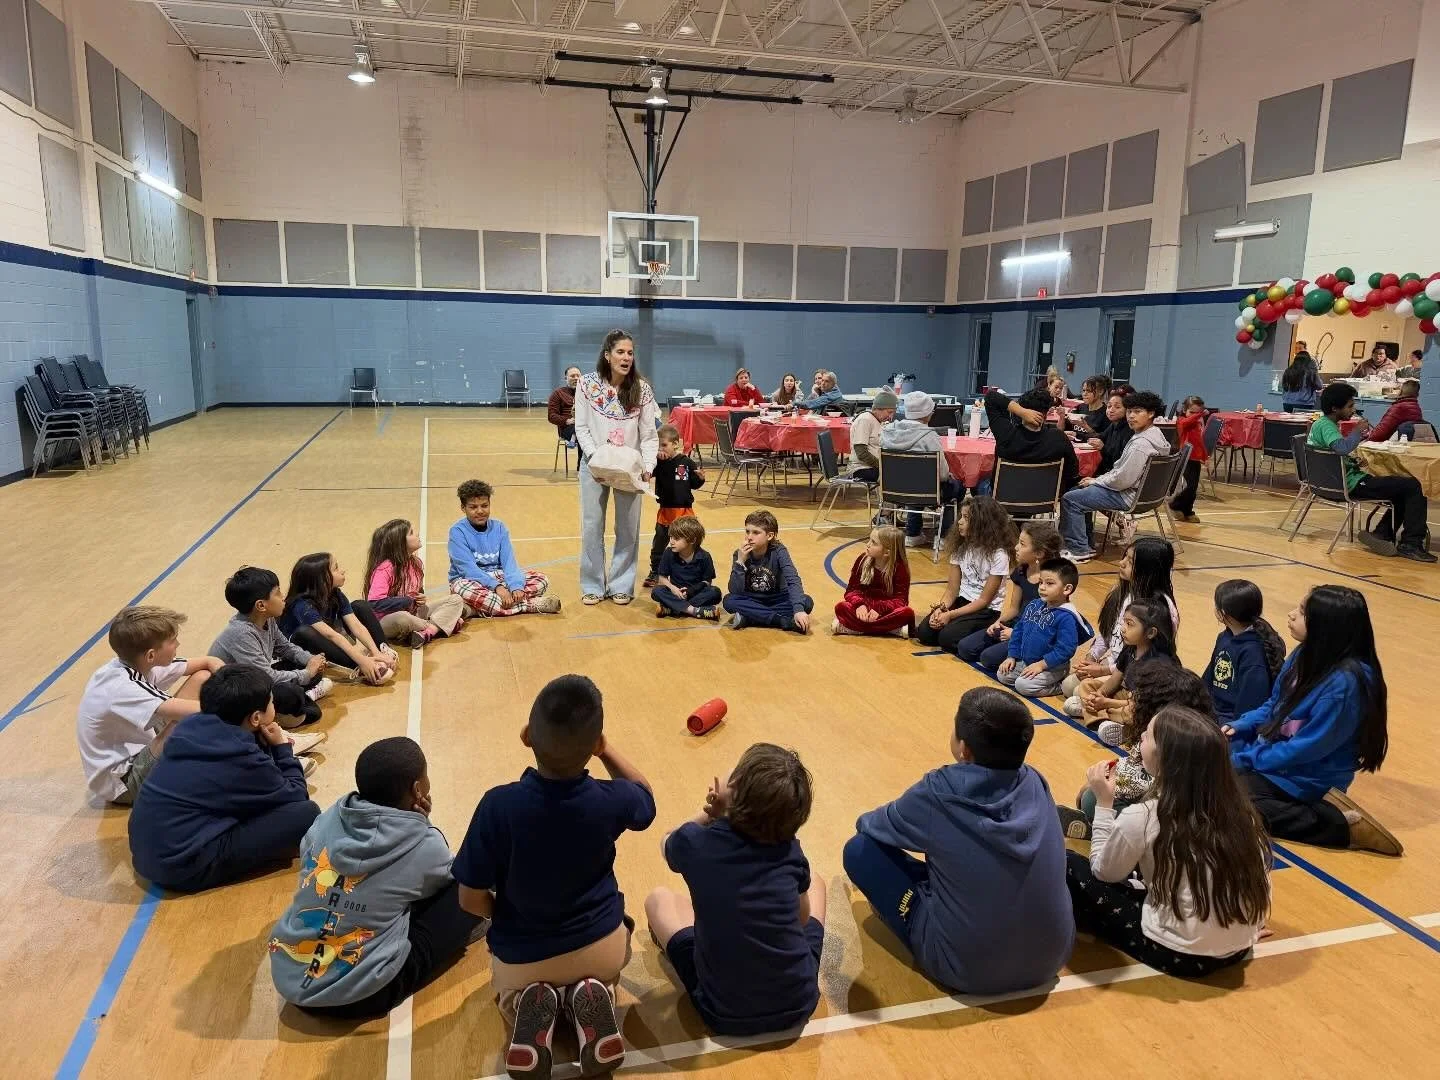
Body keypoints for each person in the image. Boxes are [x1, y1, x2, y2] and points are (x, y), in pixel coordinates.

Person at [454, 675, 655, 1080]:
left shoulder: (498, 806)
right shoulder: (608, 799)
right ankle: (593, 993)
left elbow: (469, 899)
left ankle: (532, 1004)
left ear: (527, 736)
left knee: (509, 991)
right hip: (601, 946)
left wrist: (506, 916)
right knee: (612, 945)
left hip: (523, 958)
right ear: (595, 745)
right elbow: (645, 797)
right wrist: (604, 748)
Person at [842, 687, 1073, 995]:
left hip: (967, 969)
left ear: (964, 749)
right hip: (1050, 959)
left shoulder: (939, 791)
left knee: (859, 851)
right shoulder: (1035, 781)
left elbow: (871, 826)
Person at [269, 737, 486, 1019]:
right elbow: (446, 876)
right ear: (418, 789)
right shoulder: (423, 844)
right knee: (466, 887)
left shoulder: (326, 820)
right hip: (361, 995)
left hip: (291, 977)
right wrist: (421, 824)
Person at [1066, 706, 1270, 977]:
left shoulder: (1144, 814)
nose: (1140, 736)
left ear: (1165, 758)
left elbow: (1104, 872)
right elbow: (1261, 879)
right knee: (1156, 863)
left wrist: (1104, 803)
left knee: (1068, 864)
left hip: (1178, 954)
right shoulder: (1241, 812)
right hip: (1238, 947)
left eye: (1148, 736)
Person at [645, 744, 826, 1036]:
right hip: (798, 1001)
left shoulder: (696, 843)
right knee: (815, 881)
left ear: (735, 788)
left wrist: (709, 816)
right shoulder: (790, 850)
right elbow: (802, 919)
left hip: (724, 1011)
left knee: (658, 899)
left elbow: (668, 842)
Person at [1226, 585, 1402, 855]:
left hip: (1306, 777)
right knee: (1206, 756)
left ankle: (1340, 826)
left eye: (1302, 613)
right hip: (1275, 757)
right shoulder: (1304, 654)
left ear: (1326, 626)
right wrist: (1242, 725)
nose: (1291, 615)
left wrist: (1250, 758)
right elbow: (1274, 704)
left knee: (1227, 798)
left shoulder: (1345, 686)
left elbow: (1306, 749)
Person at [128, 665, 321, 893]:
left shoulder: (190, 724)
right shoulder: (240, 753)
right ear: (256, 717)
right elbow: (296, 795)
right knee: (306, 815)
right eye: (270, 702)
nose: (274, 705)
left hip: (149, 852)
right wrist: (282, 749)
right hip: (182, 867)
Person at [77, 607, 223, 807]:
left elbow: (207, 661)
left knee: (202, 677)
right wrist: (243, 698)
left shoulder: (137, 664)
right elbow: (199, 711)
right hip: (124, 784)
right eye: (172, 641)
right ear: (151, 655)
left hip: (141, 749)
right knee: (188, 721)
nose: (178, 644)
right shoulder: (122, 686)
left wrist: (225, 677)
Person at [1059, 665, 1216, 840]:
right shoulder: (1160, 734)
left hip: (1169, 830)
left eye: (1134, 701)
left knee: (1091, 799)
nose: (1128, 702)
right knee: (1093, 792)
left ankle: (1107, 834)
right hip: (1158, 812)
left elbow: (1141, 784)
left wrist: (1104, 788)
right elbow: (1134, 762)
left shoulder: (1172, 751)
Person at [576, 330, 661, 605]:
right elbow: (582, 427)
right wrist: (595, 458)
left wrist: (648, 467)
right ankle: (593, 585)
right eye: (620, 352)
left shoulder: (642, 389)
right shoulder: (587, 385)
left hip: (630, 471)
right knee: (592, 527)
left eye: (630, 353)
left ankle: (621, 584)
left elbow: (649, 435)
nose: (626, 357)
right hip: (594, 467)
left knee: (627, 528)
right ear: (607, 355)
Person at [1308, 382, 1435, 562]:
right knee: (1413, 486)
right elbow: (1341, 448)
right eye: (1350, 405)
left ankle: (1383, 532)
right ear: (1335, 408)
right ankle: (1411, 543)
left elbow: (1334, 454)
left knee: (1402, 488)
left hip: (1333, 481)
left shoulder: (1320, 424)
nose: (1354, 409)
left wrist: (1353, 460)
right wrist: (1357, 432)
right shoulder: (1326, 425)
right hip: (1349, 484)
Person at [211, 567, 332, 738]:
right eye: (277, 593)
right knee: (298, 698)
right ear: (261, 605)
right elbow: (266, 677)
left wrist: (311, 660)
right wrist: (307, 673)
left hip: (256, 680)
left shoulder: (267, 619)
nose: (283, 597)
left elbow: (285, 647)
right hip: (236, 695)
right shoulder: (241, 633)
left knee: (312, 673)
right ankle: (278, 716)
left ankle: (296, 702)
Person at [1063, 537, 1178, 716]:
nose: (1121, 563)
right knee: (1069, 686)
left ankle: (1106, 713)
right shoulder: (1121, 592)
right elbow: (1106, 631)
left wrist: (1103, 670)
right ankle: (1102, 707)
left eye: (1130, 561)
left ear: (1148, 569)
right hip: (1115, 668)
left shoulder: (1160, 608)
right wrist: (1092, 657)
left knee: (1077, 692)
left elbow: (1142, 658)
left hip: (1136, 677)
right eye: (1124, 557)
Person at [1058, 390, 1168, 562]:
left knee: (1071, 498)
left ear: (1151, 413)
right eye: (1130, 411)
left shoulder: (1141, 444)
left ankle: (1079, 550)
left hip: (1127, 495)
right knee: (1078, 490)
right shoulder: (1157, 435)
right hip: (1147, 495)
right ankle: (1086, 543)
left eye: (1137, 411)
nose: (1131, 416)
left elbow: (1122, 480)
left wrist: (1096, 480)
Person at [914, 497, 1015, 655]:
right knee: (925, 632)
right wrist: (941, 610)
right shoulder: (961, 547)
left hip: (984, 610)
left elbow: (983, 600)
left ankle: (987, 636)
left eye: (966, 518)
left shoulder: (999, 554)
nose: (959, 522)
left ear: (982, 523)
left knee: (947, 638)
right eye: (961, 516)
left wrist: (950, 615)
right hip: (961, 602)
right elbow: (951, 590)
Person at [957, 521, 1062, 670]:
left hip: (1035, 633)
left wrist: (1015, 634)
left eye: (1022, 544)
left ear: (1039, 553)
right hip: (1017, 625)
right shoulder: (1021, 571)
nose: (1016, 547)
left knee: (988, 658)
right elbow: (1014, 608)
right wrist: (998, 622)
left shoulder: (1052, 581)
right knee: (965, 648)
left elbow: (1048, 621)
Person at [448, 479, 562, 615]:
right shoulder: (457, 532)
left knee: (541, 579)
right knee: (460, 588)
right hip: (471, 581)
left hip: (499, 577)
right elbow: (469, 570)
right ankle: (529, 605)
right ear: (463, 508)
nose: (480, 511)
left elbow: (509, 563)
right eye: (473, 507)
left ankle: (476, 609)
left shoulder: (499, 527)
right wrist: (497, 588)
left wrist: (516, 586)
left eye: (484, 506)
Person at [281, 554, 398, 684]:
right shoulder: (302, 605)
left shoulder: (335, 593)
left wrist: (375, 652)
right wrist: (362, 660)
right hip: (301, 649)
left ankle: (382, 651)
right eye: (336, 568)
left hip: (328, 637)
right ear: (322, 579)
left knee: (360, 605)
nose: (342, 571)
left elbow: (355, 624)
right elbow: (331, 636)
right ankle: (360, 667)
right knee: (305, 632)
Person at [1077, 597, 1179, 729]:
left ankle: (1094, 713)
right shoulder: (1130, 649)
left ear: (1151, 632)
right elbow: (1115, 679)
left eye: (1130, 624)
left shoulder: (1159, 663)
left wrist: (1106, 703)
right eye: (1123, 622)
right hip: (1125, 696)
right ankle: (1102, 720)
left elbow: (1140, 703)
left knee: (1133, 713)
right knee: (1087, 685)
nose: (1123, 629)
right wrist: (1100, 694)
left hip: (1143, 704)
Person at [997, 558, 1092, 698]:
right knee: (1003, 674)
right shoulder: (1034, 605)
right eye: (1041, 582)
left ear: (1067, 589)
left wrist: (1041, 665)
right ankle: (1030, 676)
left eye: (1049, 583)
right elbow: (1018, 631)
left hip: (1052, 667)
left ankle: (1059, 685)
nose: (1042, 587)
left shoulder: (1067, 617)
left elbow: (1065, 649)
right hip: (1027, 661)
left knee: (1023, 686)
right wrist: (1012, 656)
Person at [365, 518, 468, 645]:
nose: (417, 534)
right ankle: (441, 624)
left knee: (456, 599)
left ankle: (429, 631)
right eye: (412, 533)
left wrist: (421, 598)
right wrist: (407, 599)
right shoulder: (385, 568)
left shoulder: (416, 563)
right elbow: (374, 604)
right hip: (387, 621)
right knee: (402, 618)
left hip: (414, 614)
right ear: (400, 542)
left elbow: (417, 591)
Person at [1203, 580, 1287, 727]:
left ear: (1224, 613)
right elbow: (1208, 680)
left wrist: (1232, 728)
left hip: (1231, 722)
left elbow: (1250, 705)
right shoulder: (1224, 637)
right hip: (1213, 712)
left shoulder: (1253, 654)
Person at [881, 391, 962, 545]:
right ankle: (944, 537)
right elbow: (943, 474)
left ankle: (912, 533)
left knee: (912, 483)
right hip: (926, 491)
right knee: (956, 487)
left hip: (893, 489)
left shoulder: (887, 432)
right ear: (927, 415)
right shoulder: (930, 437)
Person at [722, 510, 813, 633]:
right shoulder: (740, 554)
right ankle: (782, 621)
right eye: (747, 531)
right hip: (751, 599)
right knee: (729, 601)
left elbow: (793, 579)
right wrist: (740, 563)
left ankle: (750, 618)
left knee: (806, 602)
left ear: (769, 536)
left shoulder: (779, 552)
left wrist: (798, 610)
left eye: (756, 532)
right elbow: (735, 591)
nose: (749, 537)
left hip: (777, 599)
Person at [642, 424, 705, 590]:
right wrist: (651, 461)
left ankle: (689, 571)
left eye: (664, 445)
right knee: (660, 543)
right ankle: (655, 571)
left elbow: (693, 483)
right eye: (658, 446)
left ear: (675, 443)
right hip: (665, 510)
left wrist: (700, 478)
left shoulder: (685, 462)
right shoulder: (658, 463)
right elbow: (646, 471)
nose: (661, 449)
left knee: (687, 542)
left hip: (684, 511)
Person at [983, 387, 1080, 492]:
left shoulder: (1006, 435)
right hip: (1044, 501)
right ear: (1046, 413)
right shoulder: (1059, 438)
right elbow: (1072, 473)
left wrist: (1021, 411)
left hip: (1004, 499)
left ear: (1022, 411)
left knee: (980, 484)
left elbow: (990, 397)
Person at [833, 525, 913, 637]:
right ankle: (889, 630)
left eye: (874, 543)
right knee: (841, 607)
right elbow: (851, 591)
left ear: (887, 552)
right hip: (864, 607)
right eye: (869, 540)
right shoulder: (862, 560)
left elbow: (901, 600)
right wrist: (859, 605)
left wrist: (879, 609)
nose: (868, 544)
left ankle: (855, 628)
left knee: (907, 613)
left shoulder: (900, 568)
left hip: (886, 610)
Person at [652, 515, 720, 620]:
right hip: (675, 593)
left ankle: (671, 608)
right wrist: (673, 588)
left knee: (715, 592)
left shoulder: (705, 556)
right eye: (671, 537)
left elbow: (707, 582)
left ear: (692, 540)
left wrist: (690, 592)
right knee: (657, 591)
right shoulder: (668, 553)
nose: (671, 542)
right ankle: (693, 610)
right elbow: (662, 578)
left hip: (694, 593)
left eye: (676, 538)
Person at [1168, 395, 1209, 523]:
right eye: (1191, 412)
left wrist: (1205, 456)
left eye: (1197, 413)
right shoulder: (1181, 421)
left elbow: (1200, 441)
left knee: (1193, 488)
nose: (1194, 415)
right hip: (1186, 458)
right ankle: (1175, 505)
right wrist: (1200, 414)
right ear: (1184, 410)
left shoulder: (1197, 424)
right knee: (1188, 486)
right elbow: (1187, 422)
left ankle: (1188, 511)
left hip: (1196, 459)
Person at [847, 389, 898, 482]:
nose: (891, 417)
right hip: (861, 469)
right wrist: (882, 464)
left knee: (902, 470)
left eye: (893, 413)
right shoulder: (865, 420)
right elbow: (861, 453)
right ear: (878, 408)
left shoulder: (879, 421)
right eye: (889, 412)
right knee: (898, 476)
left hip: (873, 467)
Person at [547, 366, 582, 447]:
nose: (576, 378)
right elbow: (551, 416)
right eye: (572, 376)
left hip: (584, 426)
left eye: (578, 376)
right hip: (567, 428)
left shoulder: (587, 393)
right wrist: (567, 421)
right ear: (566, 378)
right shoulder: (558, 393)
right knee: (583, 434)